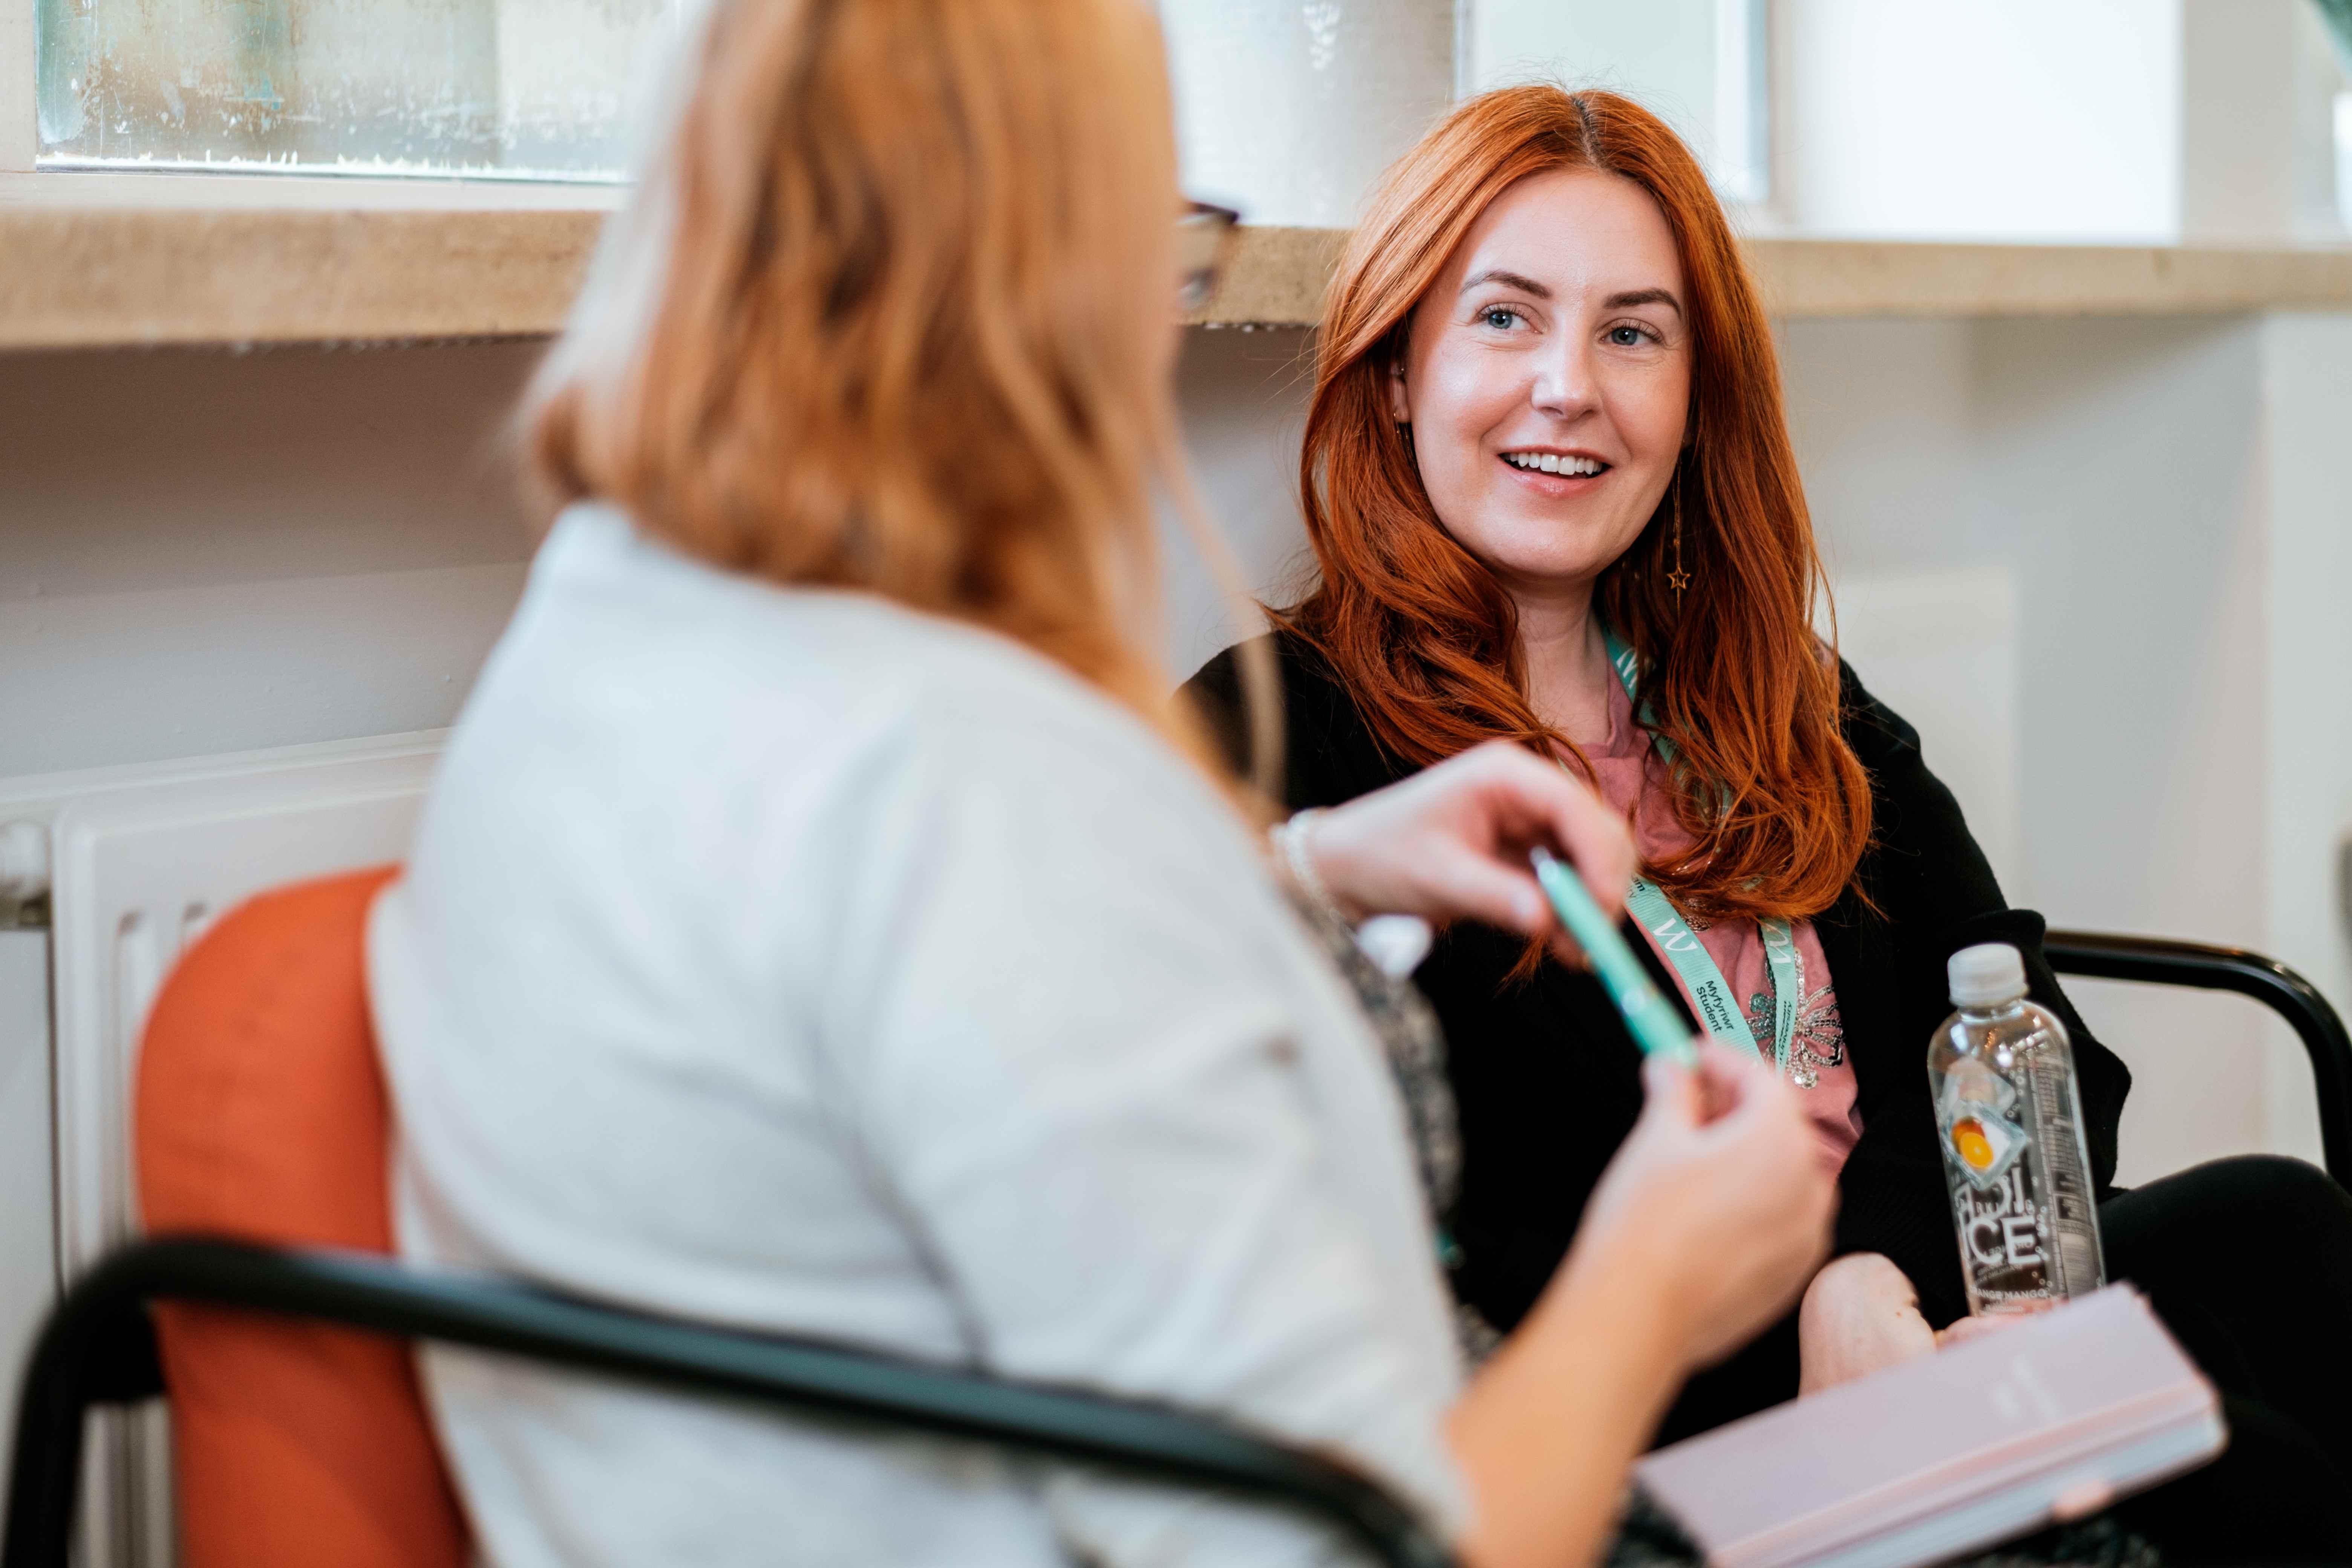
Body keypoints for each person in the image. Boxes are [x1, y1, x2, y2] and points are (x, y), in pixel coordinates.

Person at [368, 8, 1838, 1567]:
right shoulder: (976, 786)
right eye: (1162, 247)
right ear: (1041, 284)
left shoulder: (594, 645)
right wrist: (1653, 1283)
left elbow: (869, 995)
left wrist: (1307, 870)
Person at [1185, 84, 2352, 1563]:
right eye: (1503, 318)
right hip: (1656, 1437)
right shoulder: (1280, 741)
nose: (1568, 385)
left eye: (1632, 331)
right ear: (1400, 368)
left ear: (1693, 391)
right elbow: (1488, 1247)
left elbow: (2047, 1060)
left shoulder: (1774, 694)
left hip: (1913, 1324)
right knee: (2246, 1468)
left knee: (2279, 1218)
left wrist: (1861, 1278)